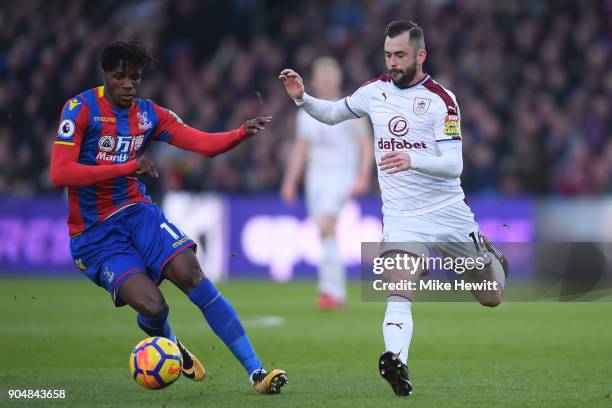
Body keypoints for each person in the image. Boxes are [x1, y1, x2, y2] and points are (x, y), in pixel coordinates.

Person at [279, 20, 507, 396]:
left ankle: (489, 253)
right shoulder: (374, 92)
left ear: (420, 55)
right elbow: (334, 114)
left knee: (490, 296)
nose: (393, 62)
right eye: (388, 55)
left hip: (447, 210)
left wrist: (411, 160)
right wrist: (302, 98)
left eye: (400, 55)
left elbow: (455, 165)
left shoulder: (442, 99)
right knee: (398, 290)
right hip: (402, 216)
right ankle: (396, 362)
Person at [50, 41, 287, 394]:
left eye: (136, 77)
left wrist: (239, 133)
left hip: (137, 212)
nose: (129, 84)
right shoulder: (80, 109)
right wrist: (128, 166)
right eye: (120, 77)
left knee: (191, 274)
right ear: (105, 77)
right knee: (153, 306)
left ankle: (256, 373)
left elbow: (203, 143)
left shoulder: (148, 114)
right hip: (94, 235)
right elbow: (60, 173)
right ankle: (171, 343)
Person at [280, 57, 373, 310]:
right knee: (323, 232)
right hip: (316, 180)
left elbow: (366, 145)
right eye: (322, 76)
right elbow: (300, 149)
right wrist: (290, 181)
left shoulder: (351, 108)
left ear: (338, 78)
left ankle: (332, 292)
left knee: (327, 227)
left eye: (331, 75)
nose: (327, 80)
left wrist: (363, 176)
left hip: (341, 176)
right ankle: (330, 290)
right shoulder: (306, 112)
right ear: (315, 81)